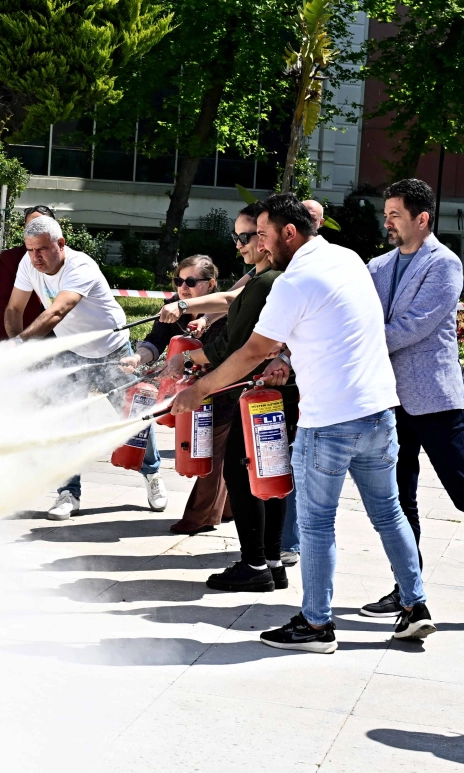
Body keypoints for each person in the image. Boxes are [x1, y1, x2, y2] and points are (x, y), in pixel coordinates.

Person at [173, 193, 435, 652]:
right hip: (378, 412)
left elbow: (252, 351)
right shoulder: (347, 259)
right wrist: (291, 359)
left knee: (316, 525)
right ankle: (415, 606)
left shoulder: (291, 283)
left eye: (264, 235)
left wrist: (200, 389)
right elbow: (335, 326)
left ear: (288, 233)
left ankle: (315, 625)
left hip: (330, 420)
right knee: (389, 513)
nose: (260, 245)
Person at [367, 179, 464, 632]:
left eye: (396, 214)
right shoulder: (377, 265)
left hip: (434, 399)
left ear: (422, 218)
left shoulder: (445, 264)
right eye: (386, 214)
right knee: (400, 500)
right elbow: (361, 313)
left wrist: (360, 341)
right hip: (389, 399)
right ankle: (407, 588)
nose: (388, 222)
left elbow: (414, 326)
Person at [177, 203, 301, 592]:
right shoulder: (266, 278)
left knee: (242, 472)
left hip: (260, 391)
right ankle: (272, 561)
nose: (241, 246)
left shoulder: (267, 281)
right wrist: (185, 306)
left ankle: (254, 565)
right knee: (271, 472)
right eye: (240, 238)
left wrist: (190, 361)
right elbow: (232, 304)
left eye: (247, 237)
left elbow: (236, 345)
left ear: (267, 239)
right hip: (274, 391)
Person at [6, 215, 147, 520]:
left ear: (61, 244)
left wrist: (18, 343)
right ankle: (68, 494)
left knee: (132, 420)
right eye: (29, 250)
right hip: (71, 350)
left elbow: (59, 309)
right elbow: (14, 308)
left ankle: (153, 474)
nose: (35, 257)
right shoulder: (28, 264)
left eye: (42, 250)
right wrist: (19, 346)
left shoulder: (80, 266)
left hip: (112, 351)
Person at [127, 254, 227, 533]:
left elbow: (223, 353)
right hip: (191, 390)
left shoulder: (224, 311)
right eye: (178, 281)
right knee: (224, 453)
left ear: (211, 284)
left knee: (212, 450)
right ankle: (227, 509)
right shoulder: (172, 308)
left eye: (191, 281)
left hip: (222, 386)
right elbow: (156, 341)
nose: (183, 287)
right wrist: (137, 358)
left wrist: (188, 361)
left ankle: (200, 517)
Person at [0, 205, 53, 340]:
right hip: (20, 329)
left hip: (56, 333)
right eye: (31, 226)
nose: (36, 230)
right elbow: (3, 302)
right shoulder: (11, 259)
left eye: (41, 225)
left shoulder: (67, 258)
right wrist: (4, 342)